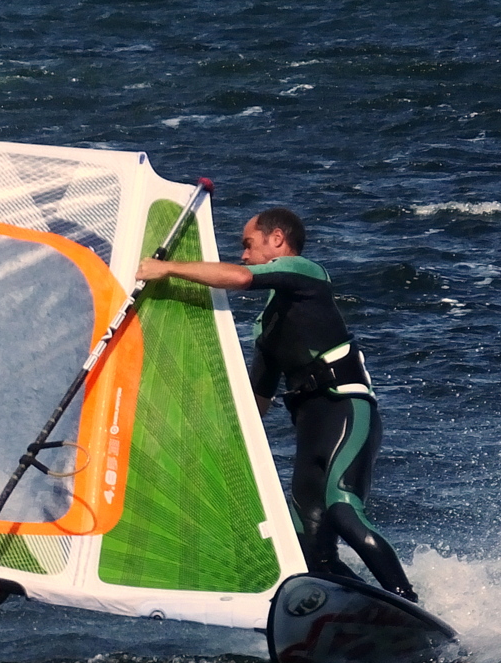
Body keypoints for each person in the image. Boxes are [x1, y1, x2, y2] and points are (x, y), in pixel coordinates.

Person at [135, 207, 419, 602]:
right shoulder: (267, 327)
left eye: (248, 244)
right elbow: (258, 402)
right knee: (309, 547)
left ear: (278, 240)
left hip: (345, 410)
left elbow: (239, 278)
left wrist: (166, 269)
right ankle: (367, 610)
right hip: (310, 431)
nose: (244, 254)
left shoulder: (306, 273)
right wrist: (201, 437)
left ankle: (406, 600)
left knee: (342, 510)